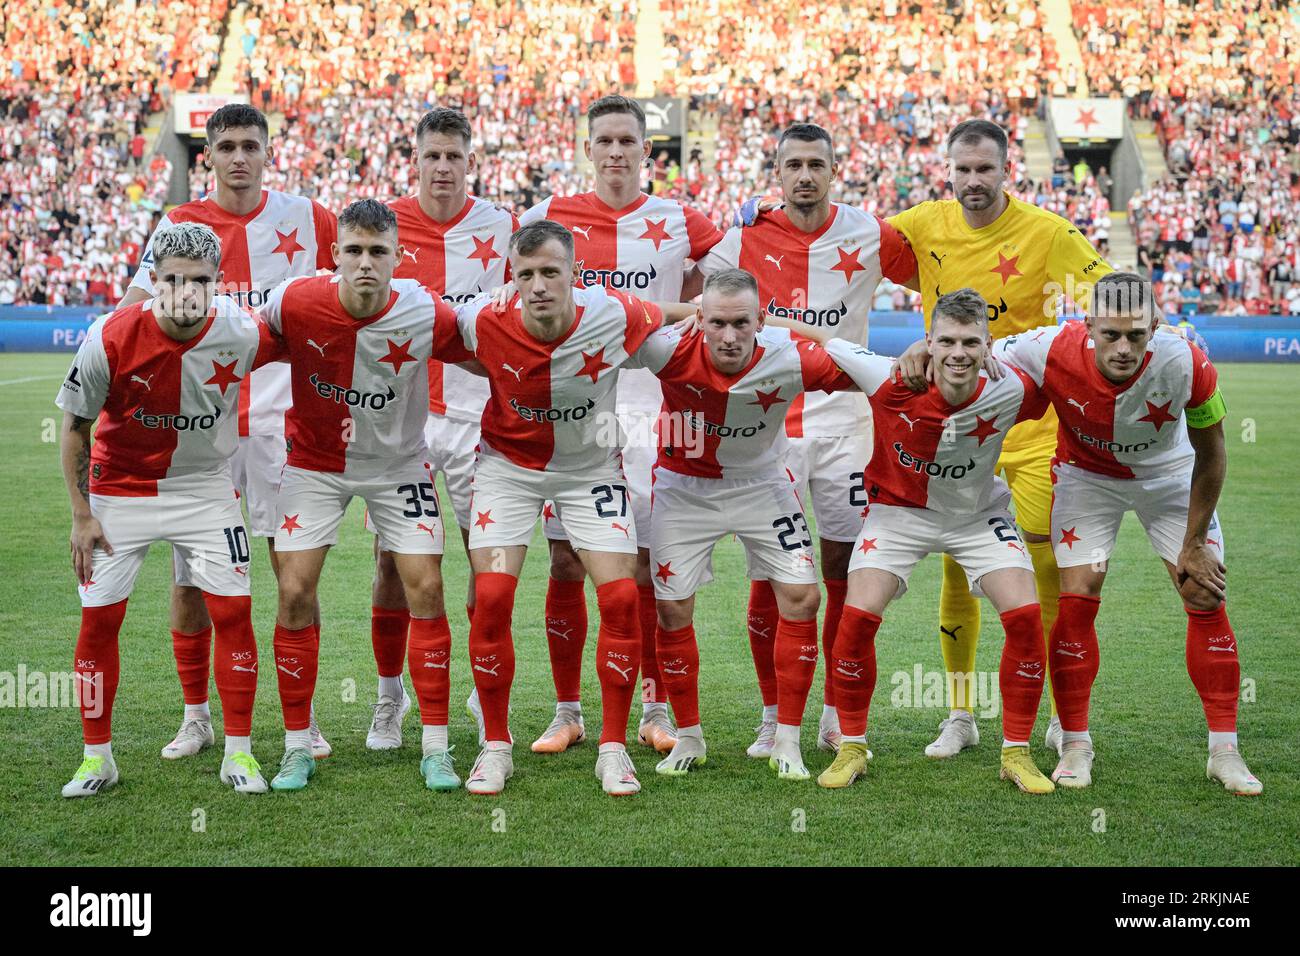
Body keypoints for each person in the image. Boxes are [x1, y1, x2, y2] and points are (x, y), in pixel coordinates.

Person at [119, 103, 338, 762]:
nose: (239, 157)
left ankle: (303, 718)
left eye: (250, 144)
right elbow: (134, 310)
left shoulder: (309, 219)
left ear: (268, 151)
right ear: (206, 157)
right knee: (191, 580)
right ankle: (196, 716)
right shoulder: (181, 224)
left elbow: (356, 294)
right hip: (201, 429)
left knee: (294, 579)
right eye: (226, 147)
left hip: (283, 424)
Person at [889, 118, 1112, 759]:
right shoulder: (924, 224)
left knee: (1047, 566)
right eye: (962, 169)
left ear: (1006, 169)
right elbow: (841, 238)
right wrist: (759, 216)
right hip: (959, 432)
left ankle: (1048, 709)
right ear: (948, 170)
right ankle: (961, 714)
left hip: (1039, 429)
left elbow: (1112, 293)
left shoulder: (1048, 234)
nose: (973, 181)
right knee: (960, 565)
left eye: (985, 169)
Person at [452, 219, 696, 796]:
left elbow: (684, 313)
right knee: (489, 596)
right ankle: (494, 747)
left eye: (551, 272)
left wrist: (738, 314)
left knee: (617, 594)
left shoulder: (613, 313)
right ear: (511, 278)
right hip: (507, 470)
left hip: (591, 472)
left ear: (575, 275)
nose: (538, 285)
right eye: (526, 274)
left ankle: (612, 748)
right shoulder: (483, 318)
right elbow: (416, 331)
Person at [993, 272, 1261, 795]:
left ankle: (1224, 751)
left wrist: (1194, 542)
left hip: (1170, 477)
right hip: (1087, 479)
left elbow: (1213, 455)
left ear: (1156, 327)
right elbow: (975, 353)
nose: (1122, 347)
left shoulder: (1188, 361)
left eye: (1136, 335)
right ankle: (1075, 743)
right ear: (1087, 324)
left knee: (1203, 592)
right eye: (1110, 334)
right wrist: (919, 351)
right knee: (1078, 593)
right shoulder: (1046, 346)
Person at [516, 95, 723, 757]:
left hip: (653, 413)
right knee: (567, 559)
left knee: (645, 564)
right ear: (588, 147)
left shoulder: (682, 220)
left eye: (626, 141)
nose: (615, 153)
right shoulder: (549, 218)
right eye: (603, 140)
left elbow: (725, 297)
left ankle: (654, 707)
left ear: (645, 149)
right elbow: (516, 301)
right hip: (572, 414)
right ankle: (567, 711)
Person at [784, 289, 1055, 793]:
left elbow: (1072, 339)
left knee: (1024, 617)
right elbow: (825, 337)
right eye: (946, 341)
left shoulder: (1012, 386)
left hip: (976, 515)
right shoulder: (887, 375)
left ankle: (1016, 753)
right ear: (928, 342)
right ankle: (852, 746)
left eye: (970, 343)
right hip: (898, 514)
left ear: (988, 345)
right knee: (857, 618)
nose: (958, 353)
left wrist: (1170, 332)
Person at [702, 122, 917, 758]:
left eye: (815, 164)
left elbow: (943, 265)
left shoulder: (870, 234)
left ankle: (834, 711)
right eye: (792, 164)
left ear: (834, 169)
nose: (804, 175)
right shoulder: (743, 236)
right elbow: (692, 298)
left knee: (844, 565)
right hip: (767, 427)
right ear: (776, 173)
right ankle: (774, 713)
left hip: (847, 423)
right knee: (772, 574)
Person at [254, 199, 475, 793]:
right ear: (335, 257)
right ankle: (297, 746)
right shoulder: (296, 299)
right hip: (315, 465)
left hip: (399, 465)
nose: (366, 263)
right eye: (354, 251)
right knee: (294, 588)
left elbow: (490, 349)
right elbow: (242, 338)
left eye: (379, 252)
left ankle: (435, 745)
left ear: (399, 258)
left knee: (426, 585)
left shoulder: (425, 311)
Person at [56, 222, 279, 797]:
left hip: (205, 488)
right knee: (99, 620)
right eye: (173, 280)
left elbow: (307, 325)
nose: (185, 293)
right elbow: (75, 428)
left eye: (199, 282)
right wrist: (82, 515)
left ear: (218, 284)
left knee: (233, 612)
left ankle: (240, 753)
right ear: (152, 280)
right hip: (120, 489)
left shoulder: (242, 330)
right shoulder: (108, 336)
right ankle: (95, 758)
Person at [630, 269, 858, 779]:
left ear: (761, 320)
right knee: (671, 609)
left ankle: (787, 741)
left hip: (764, 487)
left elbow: (871, 371)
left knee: (804, 597)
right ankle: (687, 738)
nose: (729, 337)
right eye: (716, 323)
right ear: (699, 320)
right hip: (683, 490)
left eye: (741, 323)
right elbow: (599, 325)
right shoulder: (665, 349)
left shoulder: (788, 354)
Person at [363, 107, 517, 752]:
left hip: (476, 420)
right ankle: (389, 700)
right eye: (433, 156)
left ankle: (485, 704)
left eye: (455, 156)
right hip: (399, 424)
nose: (444, 167)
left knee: (487, 562)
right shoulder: (384, 226)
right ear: (416, 160)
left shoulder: (503, 228)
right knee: (392, 565)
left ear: (470, 161)